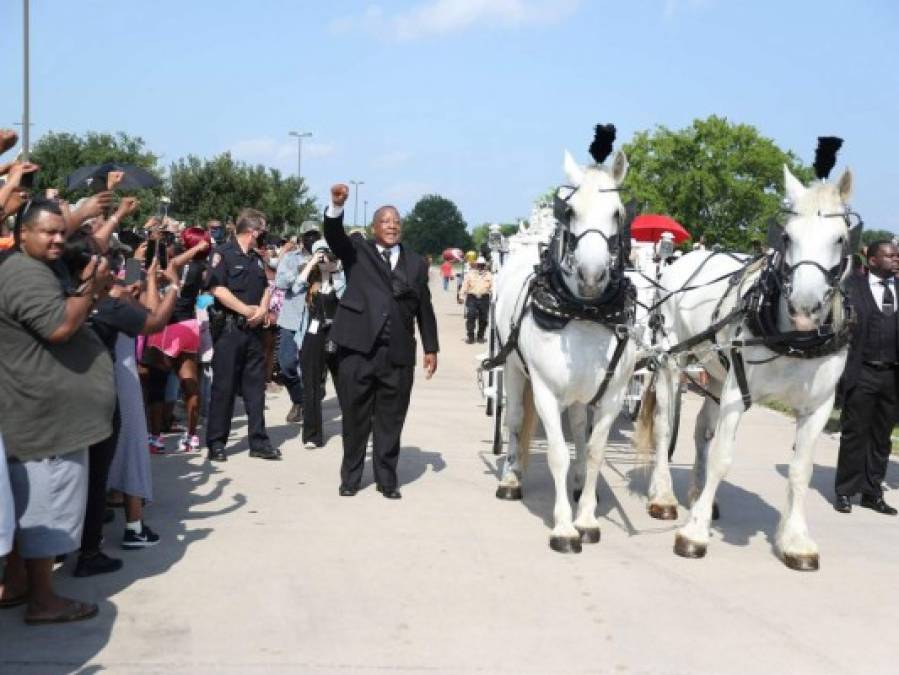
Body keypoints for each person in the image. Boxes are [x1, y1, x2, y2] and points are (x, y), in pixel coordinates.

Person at [0, 198, 114, 624]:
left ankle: (18, 583)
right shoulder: (23, 274)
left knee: (30, 508)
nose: (57, 239)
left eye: (60, 232)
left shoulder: (31, 266)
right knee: (46, 510)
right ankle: (44, 600)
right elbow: (59, 327)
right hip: (44, 420)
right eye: (47, 232)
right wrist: (92, 290)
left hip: (42, 414)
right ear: (22, 233)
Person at [324, 184, 439, 499]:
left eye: (396, 221)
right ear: (375, 228)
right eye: (386, 221)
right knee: (355, 417)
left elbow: (424, 307)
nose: (392, 225)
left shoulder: (416, 262)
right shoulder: (357, 252)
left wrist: (431, 347)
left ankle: (387, 480)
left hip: (397, 353)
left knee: (391, 419)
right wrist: (335, 207)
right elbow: (334, 235)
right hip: (357, 350)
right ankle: (351, 478)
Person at [205, 208, 278, 462]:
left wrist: (263, 308)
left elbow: (268, 286)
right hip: (230, 329)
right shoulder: (222, 254)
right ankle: (216, 442)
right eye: (263, 230)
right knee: (224, 387)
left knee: (256, 388)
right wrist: (247, 310)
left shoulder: (256, 259)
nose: (264, 235)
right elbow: (217, 288)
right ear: (252, 230)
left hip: (254, 332)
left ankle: (258, 441)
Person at [835, 240, 899, 515]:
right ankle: (845, 491)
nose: (896, 259)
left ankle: (872, 493)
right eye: (890, 255)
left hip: (893, 375)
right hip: (862, 371)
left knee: (882, 437)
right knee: (855, 434)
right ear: (872, 260)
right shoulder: (852, 287)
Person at [143, 227, 212, 452]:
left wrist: (193, 250)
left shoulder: (179, 265)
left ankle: (155, 438)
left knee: (157, 384)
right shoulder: (203, 267)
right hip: (190, 326)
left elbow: (173, 266)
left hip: (167, 326)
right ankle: (191, 436)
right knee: (190, 382)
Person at [299, 240, 346, 448]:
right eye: (321, 254)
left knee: (345, 384)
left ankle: (354, 429)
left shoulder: (342, 276)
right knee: (311, 386)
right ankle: (312, 435)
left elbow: (346, 297)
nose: (324, 258)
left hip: (338, 333)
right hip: (314, 335)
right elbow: (294, 285)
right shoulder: (310, 280)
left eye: (327, 253)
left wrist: (334, 271)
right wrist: (312, 263)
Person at [274, 222, 318, 423]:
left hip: (315, 320)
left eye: (315, 235)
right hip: (291, 319)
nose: (311, 239)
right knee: (286, 365)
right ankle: (298, 399)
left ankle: (307, 405)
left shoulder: (326, 258)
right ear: (301, 239)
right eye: (308, 236)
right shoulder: (291, 259)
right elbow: (281, 283)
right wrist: (303, 270)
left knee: (313, 369)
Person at [457, 255, 492, 344]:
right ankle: (471, 336)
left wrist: (494, 297)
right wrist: (461, 296)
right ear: (476, 265)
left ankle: (480, 336)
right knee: (471, 316)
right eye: (479, 265)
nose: (480, 267)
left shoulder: (489, 275)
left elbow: (493, 287)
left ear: (485, 265)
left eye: (482, 265)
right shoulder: (470, 274)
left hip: (484, 298)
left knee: (483, 319)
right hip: (472, 297)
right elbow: (465, 285)